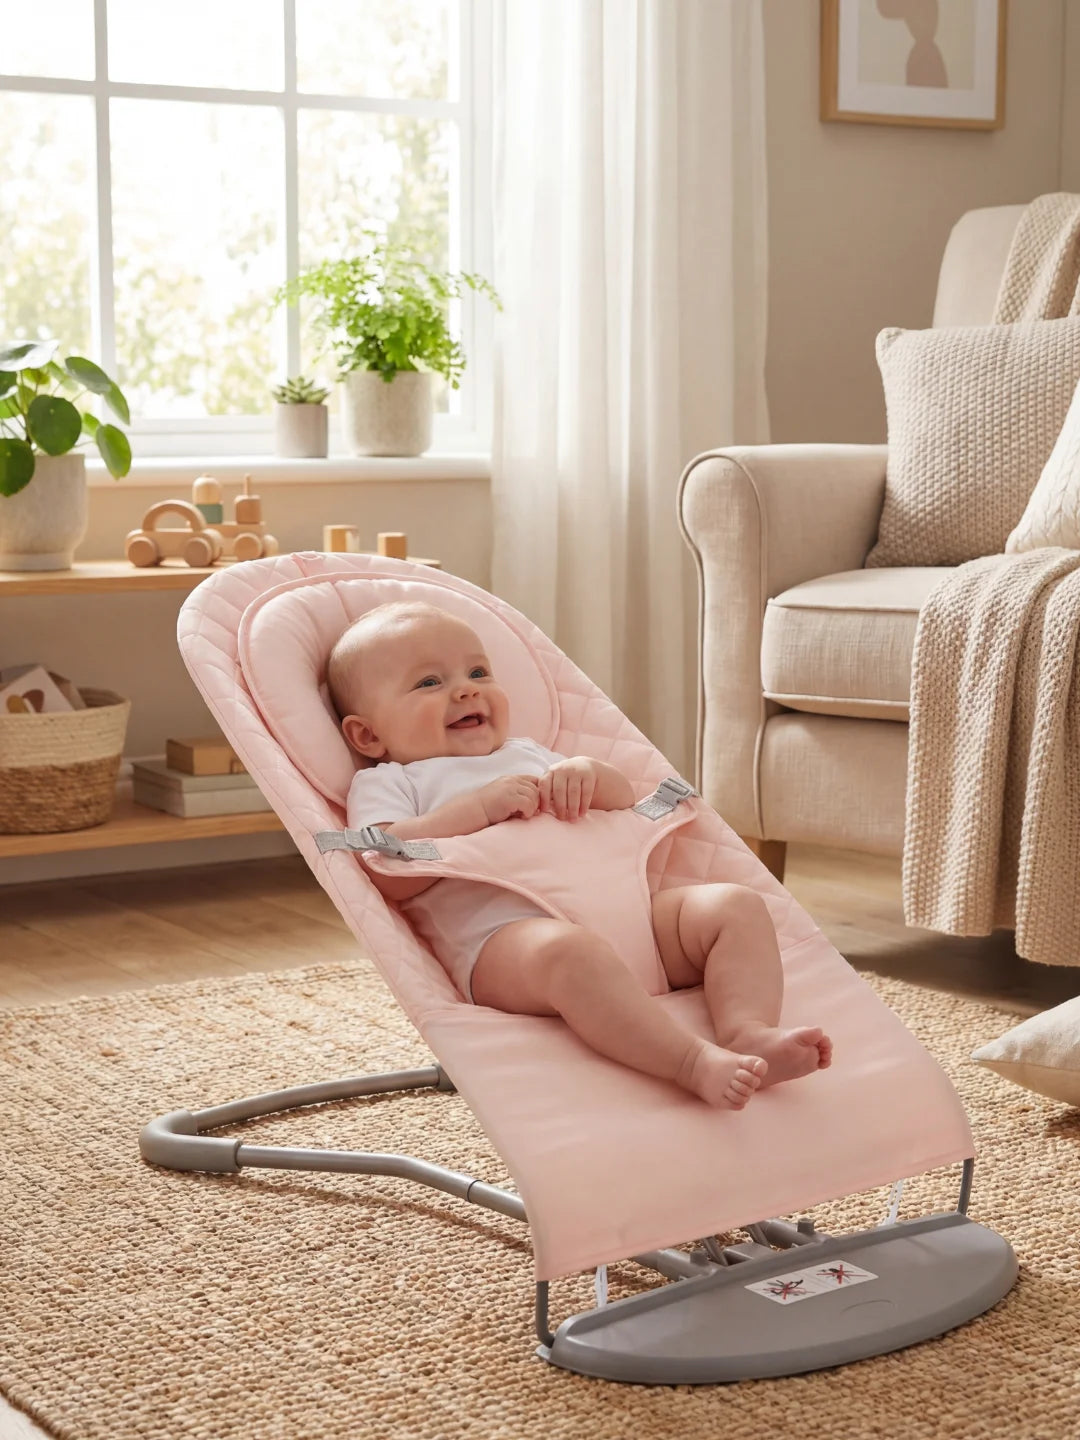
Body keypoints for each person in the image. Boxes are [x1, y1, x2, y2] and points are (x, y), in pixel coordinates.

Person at [328, 601, 832, 1110]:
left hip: (637, 925)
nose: (466, 689)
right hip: (509, 949)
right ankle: (690, 1062)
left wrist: (590, 771)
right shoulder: (390, 780)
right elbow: (385, 862)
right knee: (568, 953)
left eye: (478, 672)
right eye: (428, 683)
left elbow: (622, 799)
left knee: (735, 906)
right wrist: (478, 808)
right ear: (368, 735)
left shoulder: (528, 753)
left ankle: (748, 1029)